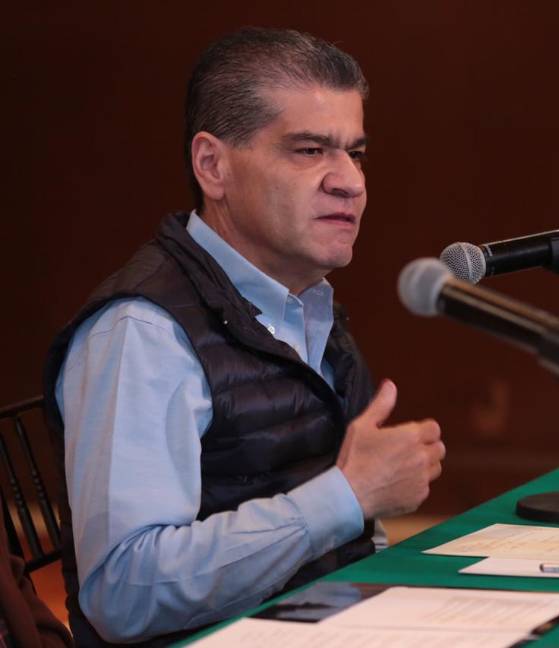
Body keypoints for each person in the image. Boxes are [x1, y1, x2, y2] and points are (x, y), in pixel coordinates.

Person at [41, 27, 445, 646]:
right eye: (310, 150)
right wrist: (348, 495)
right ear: (213, 166)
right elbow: (121, 592)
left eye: (356, 153)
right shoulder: (142, 333)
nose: (350, 181)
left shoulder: (308, 303)